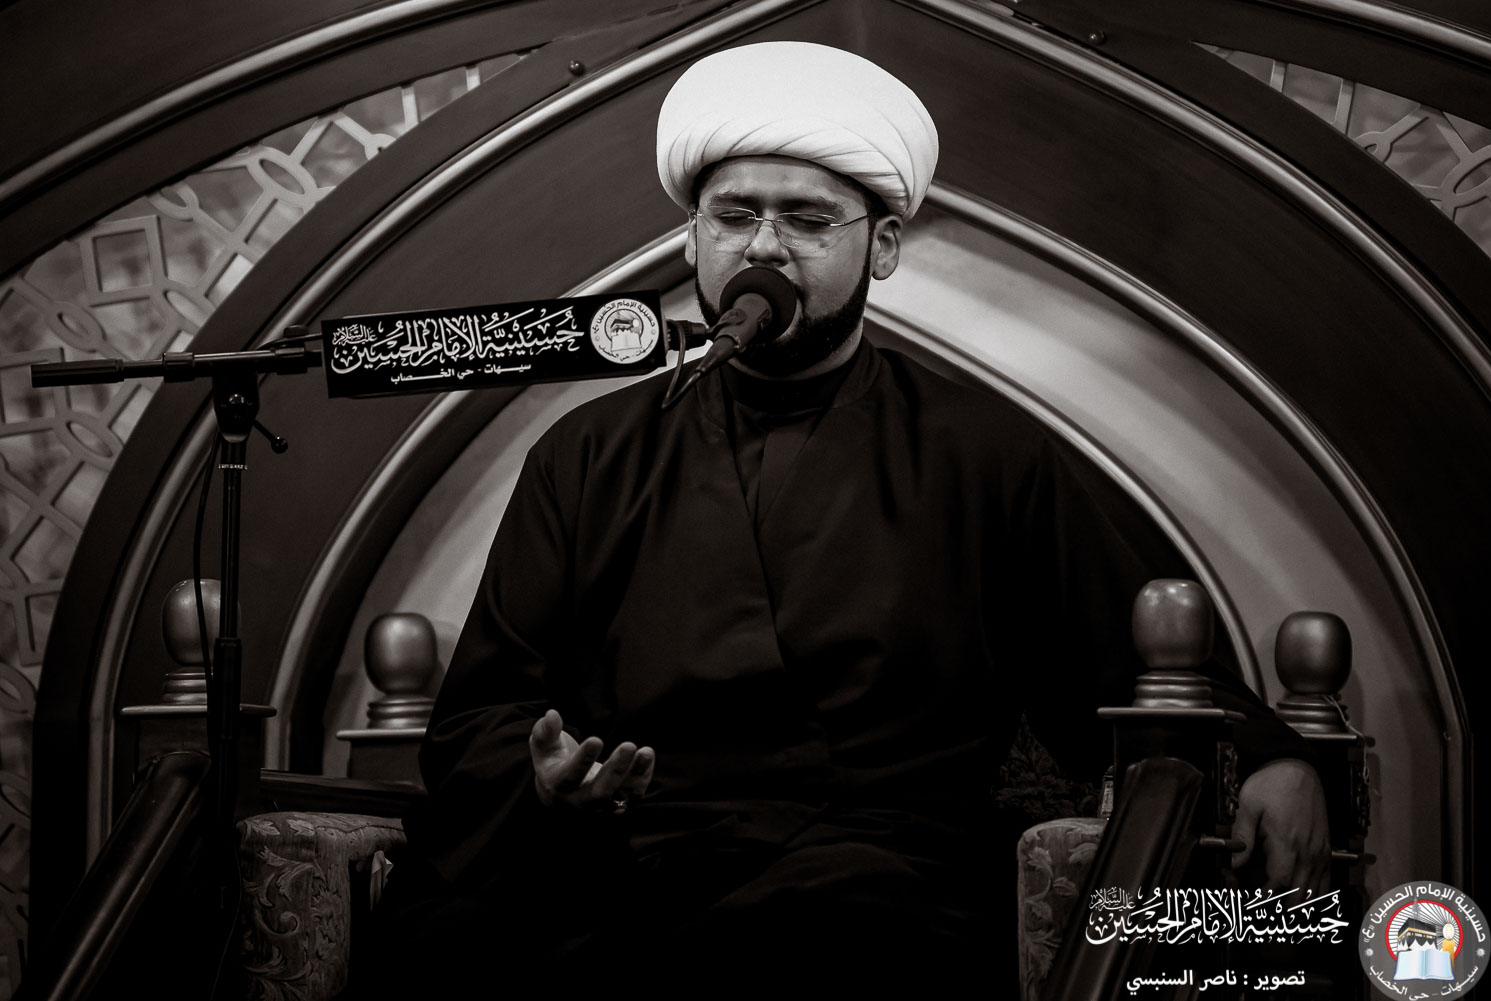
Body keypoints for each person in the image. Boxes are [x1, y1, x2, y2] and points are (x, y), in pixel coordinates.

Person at [366, 41, 1328, 990]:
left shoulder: (982, 451)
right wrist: (541, 777)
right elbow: (480, 714)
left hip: (876, 871)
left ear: (885, 245)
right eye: (734, 215)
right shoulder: (587, 452)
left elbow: (1118, 674)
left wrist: (1267, 760)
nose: (763, 246)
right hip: (621, 863)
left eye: (807, 219)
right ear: (692, 239)